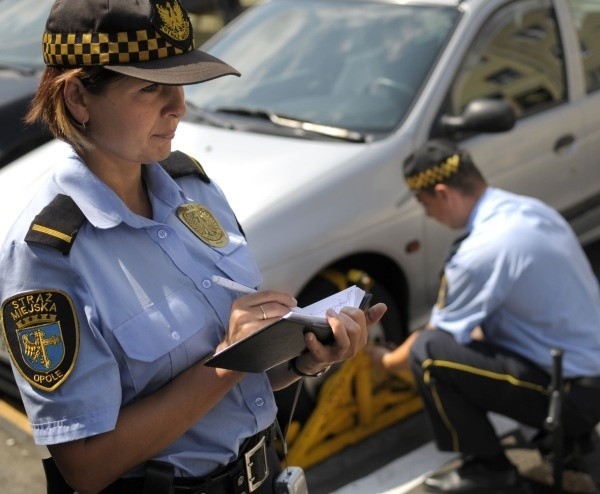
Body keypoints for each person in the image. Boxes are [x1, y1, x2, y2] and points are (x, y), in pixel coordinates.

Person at [0, 1, 387, 493]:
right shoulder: (46, 254)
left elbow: (225, 393)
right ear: (78, 97)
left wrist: (303, 356)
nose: (179, 106)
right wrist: (229, 362)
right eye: (150, 88)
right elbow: (86, 466)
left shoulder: (192, 187)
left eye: (180, 83)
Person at [366, 138, 600, 493]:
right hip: (588, 372)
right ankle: (573, 443)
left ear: (443, 193)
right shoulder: (525, 209)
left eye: (424, 204)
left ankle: (488, 469)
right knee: (464, 341)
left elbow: (436, 334)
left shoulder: (482, 250)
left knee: (427, 355)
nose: (427, 215)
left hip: (574, 398)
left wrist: (381, 360)